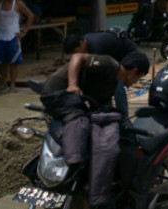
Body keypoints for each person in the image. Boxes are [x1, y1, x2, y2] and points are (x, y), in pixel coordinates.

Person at [41, 51, 150, 209]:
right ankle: (75, 162)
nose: (135, 83)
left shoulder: (111, 85)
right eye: (138, 79)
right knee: (81, 127)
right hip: (58, 94)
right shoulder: (109, 64)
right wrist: (73, 84)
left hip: (72, 103)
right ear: (134, 71)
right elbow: (77, 57)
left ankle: (89, 178)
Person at [63, 31, 140, 117]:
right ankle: (108, 113)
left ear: (81, 43)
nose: (75, 54)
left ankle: (123, 117)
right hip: (114, 56)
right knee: (106, 86)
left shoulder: (96, 47)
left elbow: (97, 75)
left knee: (117, 84)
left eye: (75, 51)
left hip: (128, 55)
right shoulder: (86, 43)